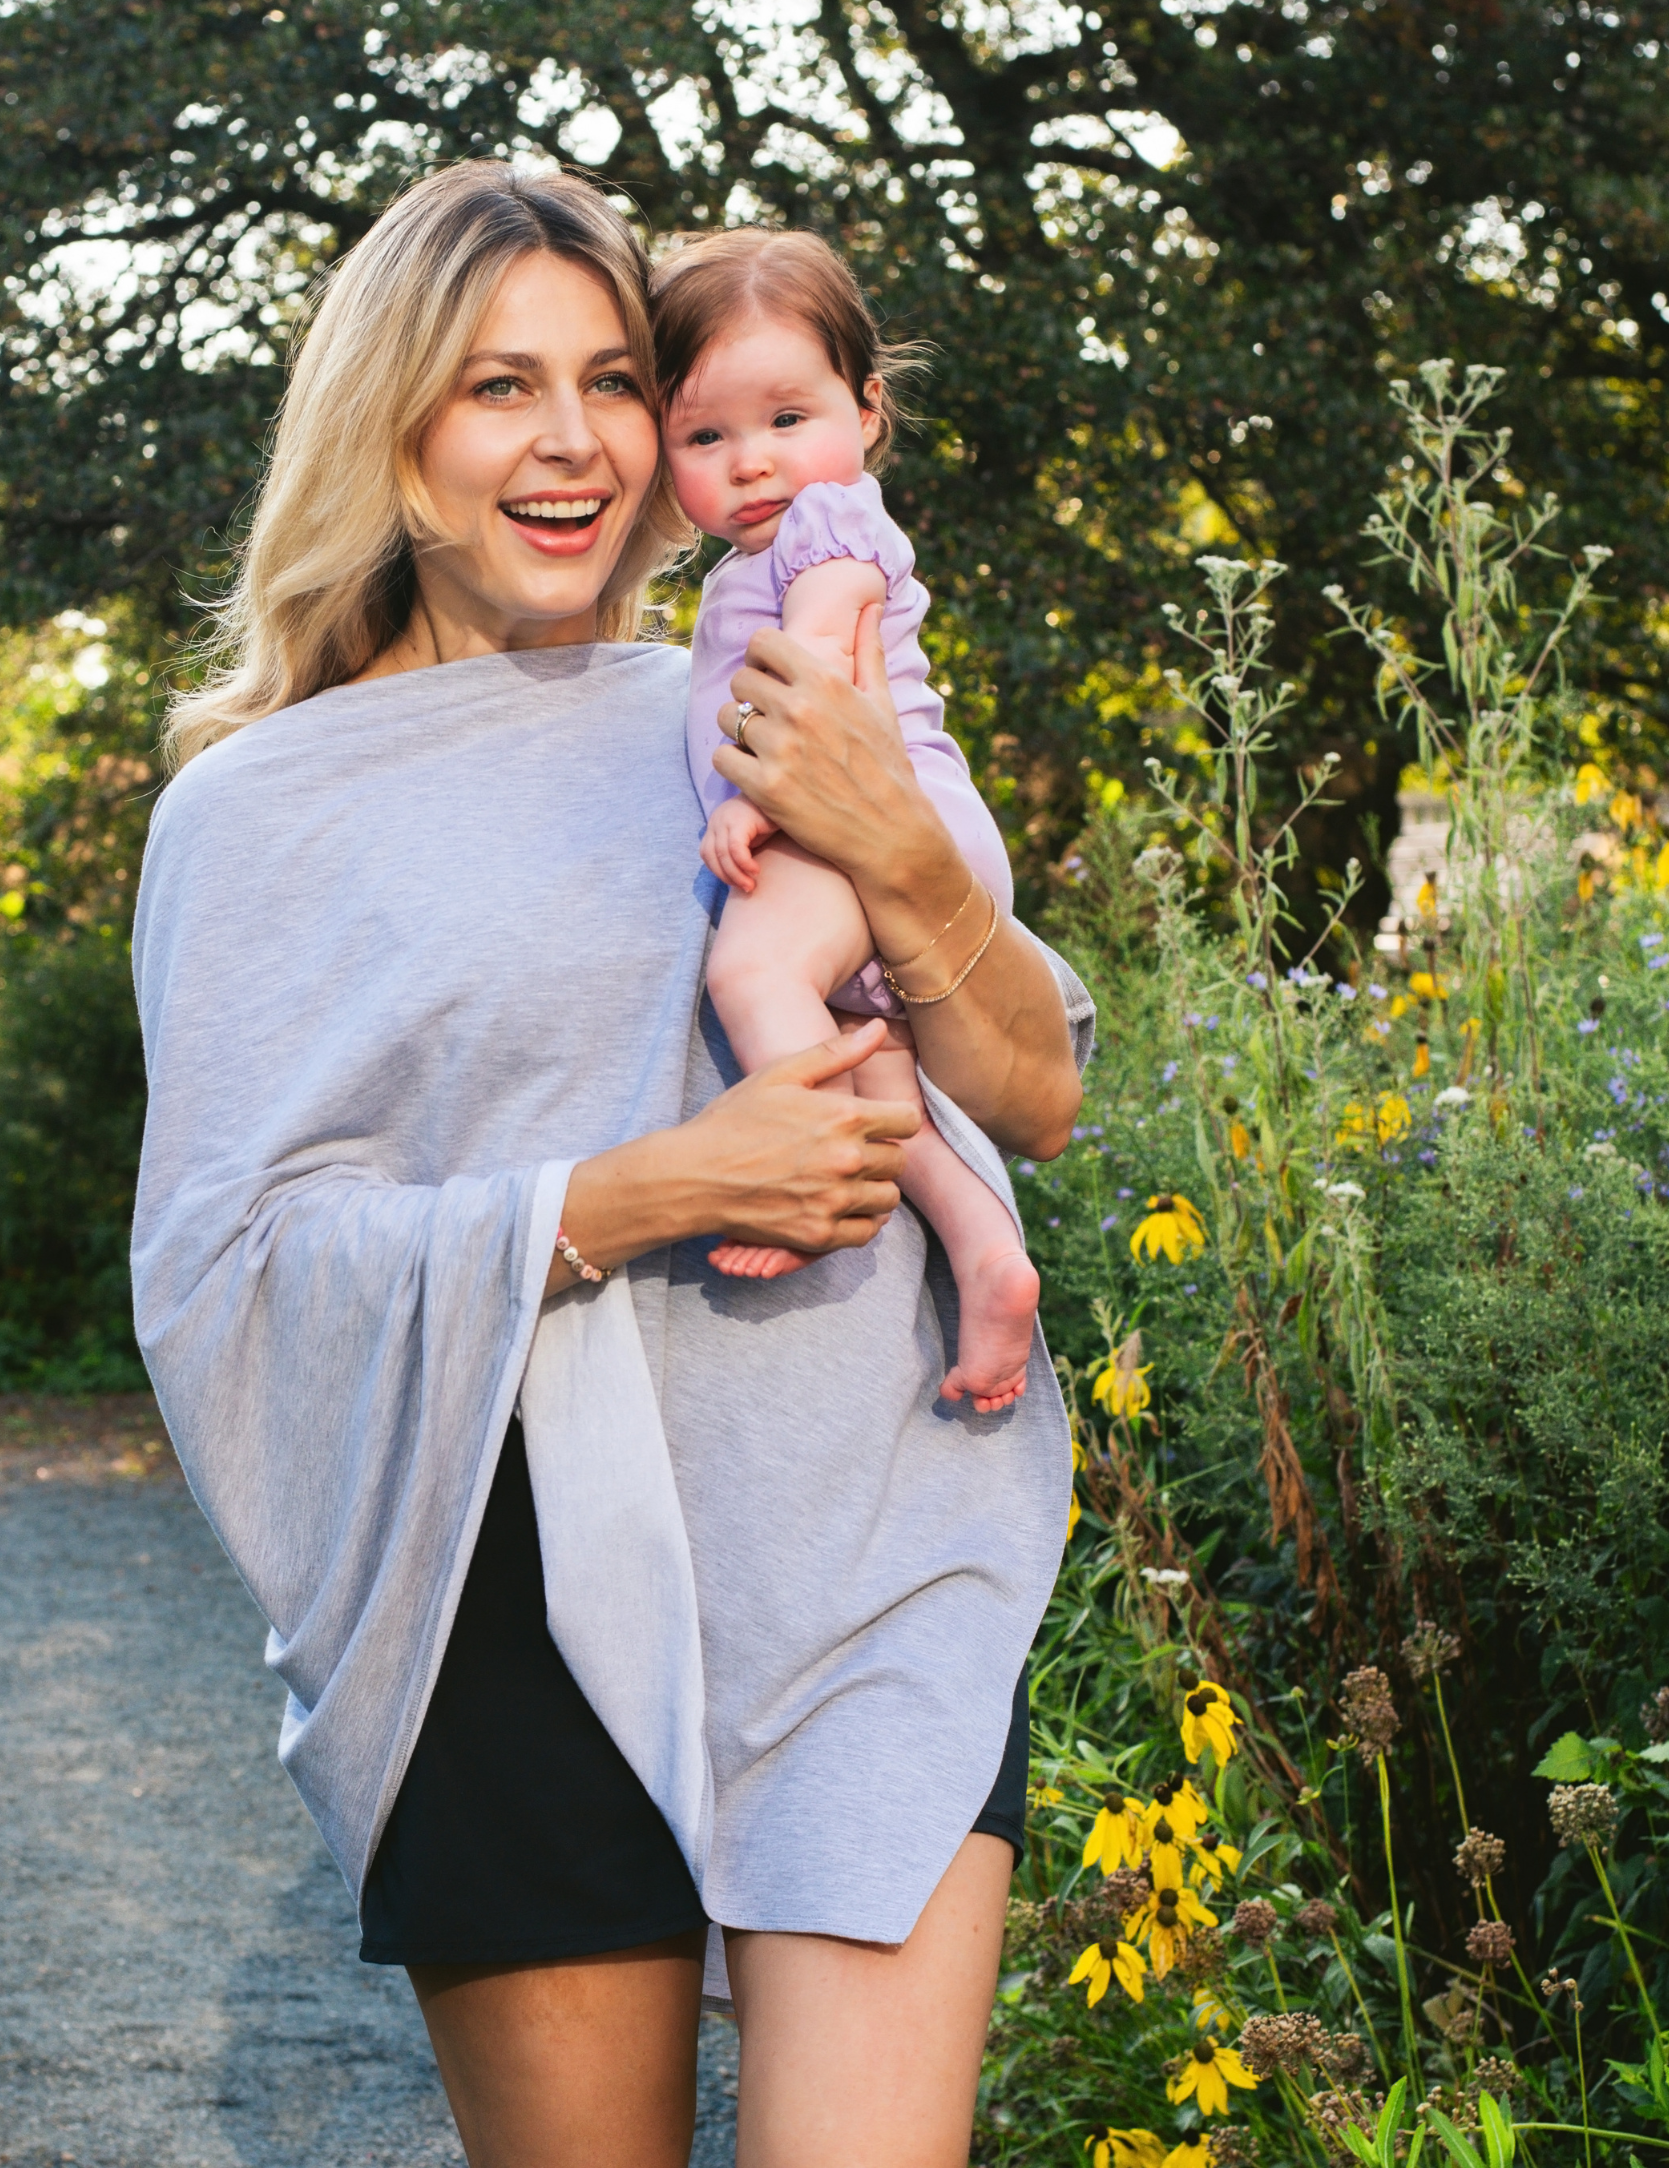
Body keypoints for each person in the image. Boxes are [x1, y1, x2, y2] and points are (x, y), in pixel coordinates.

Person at [131, 161, 1089, 2168]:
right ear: (389, 436)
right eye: (497, 388)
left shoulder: (757, 704)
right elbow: (230, 1275)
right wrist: (662, 1187)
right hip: (510, 1598)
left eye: (610, 382)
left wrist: (891, 841)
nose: (569, 442)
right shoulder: (261, 814)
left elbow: (1029, 1089)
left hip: (867, 1535)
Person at [654, 228, 1040, 1411]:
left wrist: (754, 801)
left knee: (748, 979)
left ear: (868, 411)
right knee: (895, 1098)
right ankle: (988, 1256)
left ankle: (802, 1178)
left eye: (787, 418)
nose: (753, 461)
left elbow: (817, 659)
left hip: (861, 815)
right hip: (860, 829)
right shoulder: (746, 560)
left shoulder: (833, 529)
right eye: (704, 437)